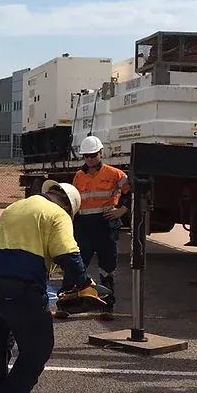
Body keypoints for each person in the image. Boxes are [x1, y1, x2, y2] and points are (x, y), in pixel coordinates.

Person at [0, 179, 106, 393]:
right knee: (38, 347)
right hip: (20, 284)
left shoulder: (16, 206)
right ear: (69, 207)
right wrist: (85, 284)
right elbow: (68, 254)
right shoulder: (58, 214)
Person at [64, 135, 132, 320]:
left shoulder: (115, 174)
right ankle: (67, 305)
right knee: (77, 266)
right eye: (86, 156)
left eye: (93, 155)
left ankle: (107, 307)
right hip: (84, 227)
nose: (90, 159)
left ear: (101, 153)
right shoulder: (78, 176)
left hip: (105, 226)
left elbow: (132, 192)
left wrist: (122, 210)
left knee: (107, 268)